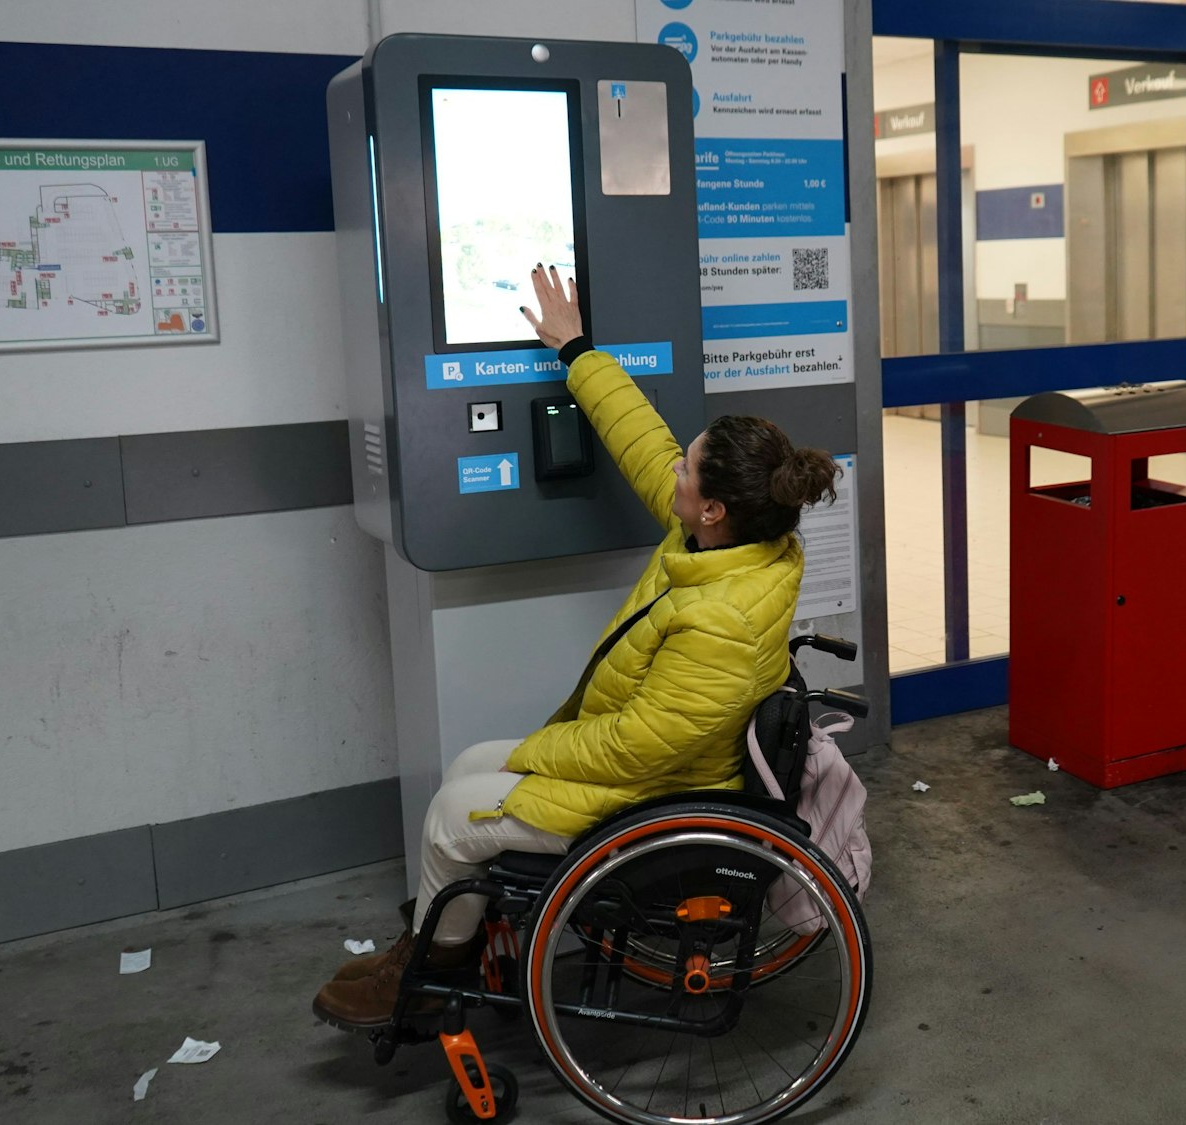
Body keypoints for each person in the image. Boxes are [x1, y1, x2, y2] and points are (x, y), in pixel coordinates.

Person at [313, 266, 841, 1029]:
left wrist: (539, 751)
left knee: (452, 814)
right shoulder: (741, 545)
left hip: (656, 797)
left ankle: (426, 974)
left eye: (687, 471)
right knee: (466, 768)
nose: (674, 472)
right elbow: (642, 441)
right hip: (660, 766)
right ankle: (437, 938)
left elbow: (635, 750)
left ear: (715, 507)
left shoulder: (721, 617)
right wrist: (577, 349)